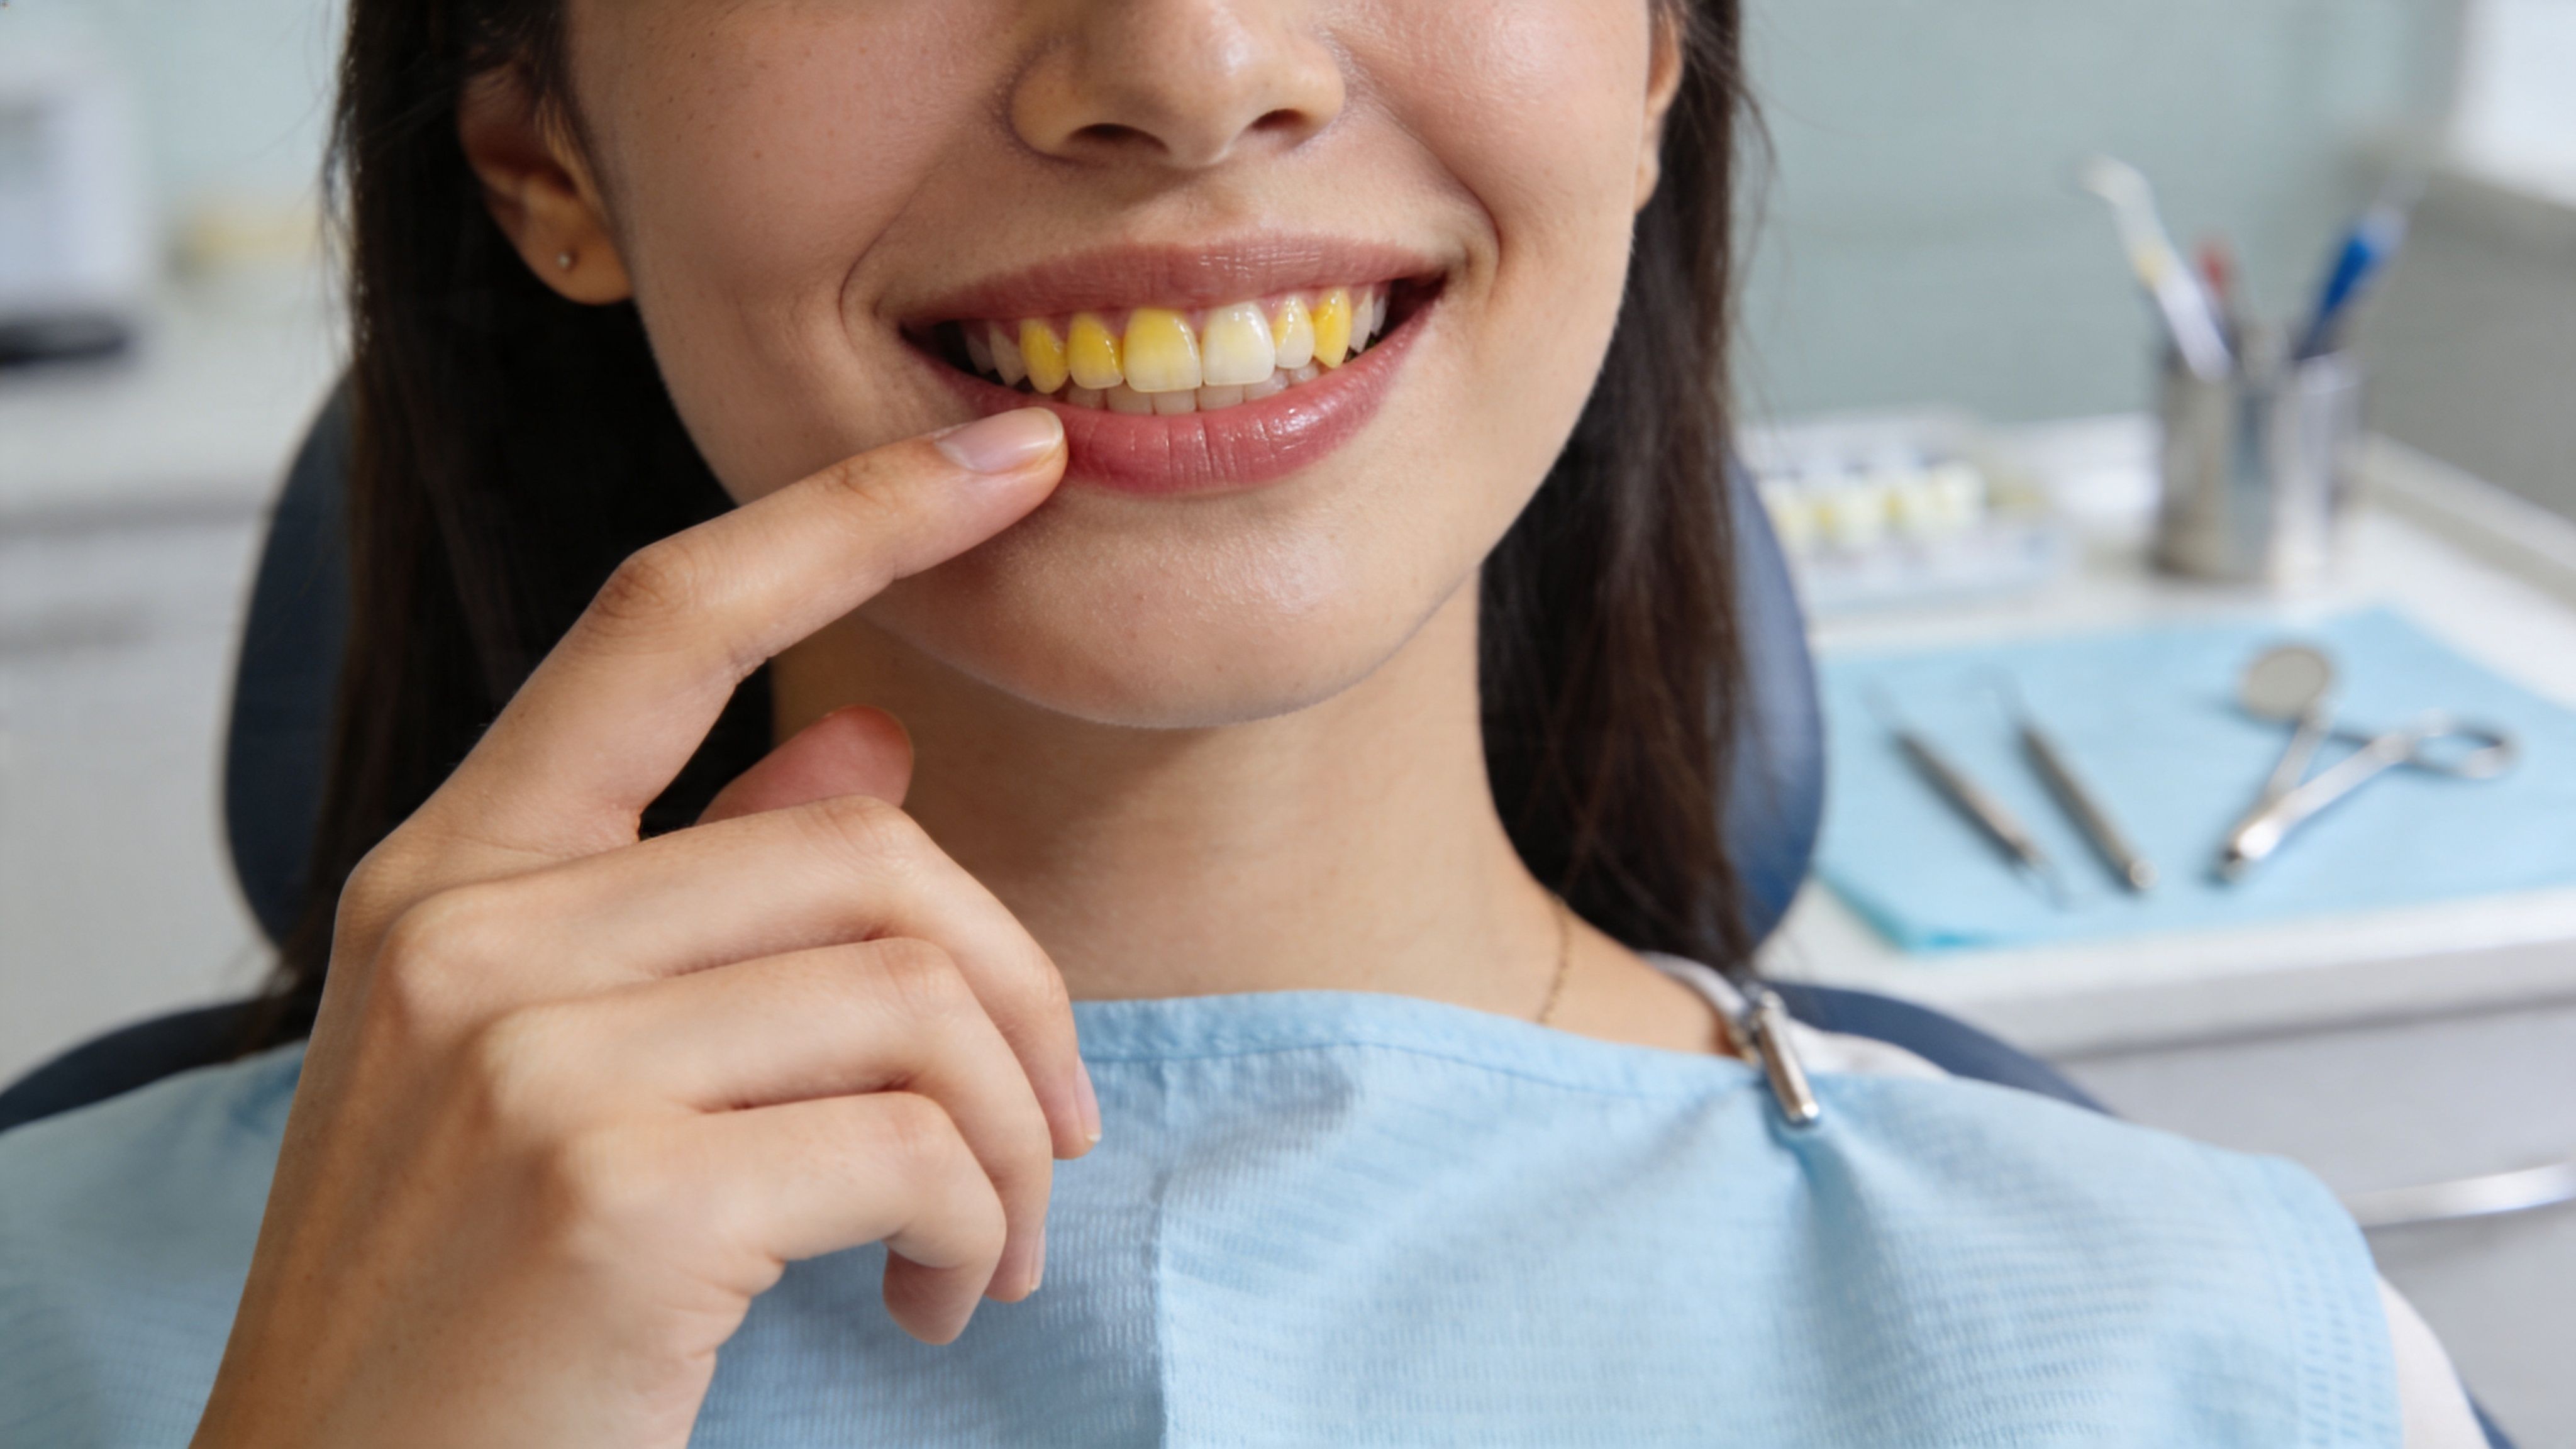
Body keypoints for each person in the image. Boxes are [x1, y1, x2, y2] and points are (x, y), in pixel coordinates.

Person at [0, 1, 2489, 1444]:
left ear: (1646, 50)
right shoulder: (72, 1321)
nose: (1187, 71)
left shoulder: (2206, 1356)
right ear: (549, 151)